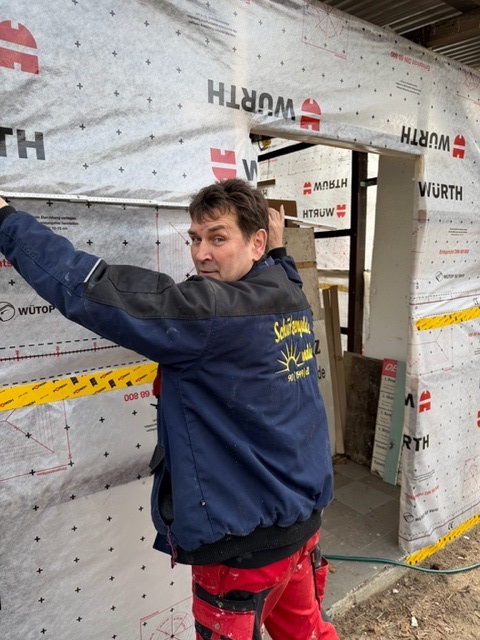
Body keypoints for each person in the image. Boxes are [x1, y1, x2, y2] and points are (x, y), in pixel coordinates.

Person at [0, 180, 339, 639]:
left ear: (255, 242)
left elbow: (90, 289)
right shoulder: (288, 294)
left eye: (218, 238)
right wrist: (276, 251)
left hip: (242, 554)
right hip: (302, 529)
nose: (201, 254)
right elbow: (286, 273)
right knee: (309, 633)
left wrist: (7, 221)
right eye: (195, 238)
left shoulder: (209, 312)